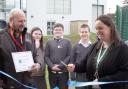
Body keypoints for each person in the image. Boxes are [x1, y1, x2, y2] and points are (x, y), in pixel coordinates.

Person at [68, 15, 128, 89]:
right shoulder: (95, 46)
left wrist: (101, 82)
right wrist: (75, 67)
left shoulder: (122, 48)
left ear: (111, 28)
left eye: (100, 28)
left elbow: (125, 74)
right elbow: (84, 64)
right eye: (96, 29)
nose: (97, 31)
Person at [0, 8, 40, 89]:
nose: (23, 24)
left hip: (27, 84)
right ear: (11, 21)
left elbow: (36, 55)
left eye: (24, 21)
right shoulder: (1, 37)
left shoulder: (29, 36)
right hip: (8, 85)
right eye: (20, 21)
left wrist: (38, 65)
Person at [44, 23, 72, 89]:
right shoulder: (49, 42)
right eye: (56, 30)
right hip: (52, 73)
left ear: (63, 31)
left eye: (60, 30)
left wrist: (60, 66)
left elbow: (69, 56)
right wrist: (52, 66)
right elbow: (46, 56)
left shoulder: (67, 42)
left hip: (63, 73)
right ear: (53, 31)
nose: (58, 31)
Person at [70, 24, 91, 89]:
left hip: (90, 76)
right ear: (79, 33)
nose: (84, 34)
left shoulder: (93, 47)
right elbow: (72, 62)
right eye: (82, 32)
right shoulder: (75, 47)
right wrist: (72, 77)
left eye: (86, 32)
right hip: (79, 76)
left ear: (89, 33)